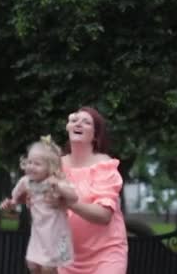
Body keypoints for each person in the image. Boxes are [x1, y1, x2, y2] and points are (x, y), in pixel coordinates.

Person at [54, 107, 128, 274]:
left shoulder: (105, 166)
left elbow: (104, 216)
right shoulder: (55, 166)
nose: (79, 123)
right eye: (75, 120)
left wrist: (71, 203)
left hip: (106, 253)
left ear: (95, 136)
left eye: (86, 122)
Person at [0, 136, 78, 274]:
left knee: (48, 268)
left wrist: (59, 188)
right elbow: (15, 199)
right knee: (32, 265)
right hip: (39, 233)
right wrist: (10, 204)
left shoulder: (55, 182)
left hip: (57, 234)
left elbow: (74, 197)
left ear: (50, 167)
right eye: (29, 162)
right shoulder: (25, 182)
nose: (31, 166)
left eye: (37, 164)